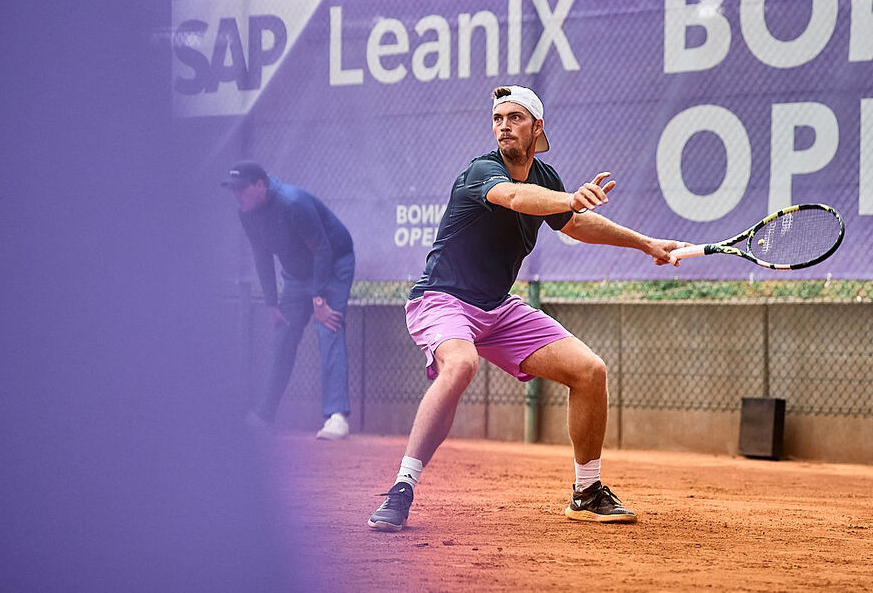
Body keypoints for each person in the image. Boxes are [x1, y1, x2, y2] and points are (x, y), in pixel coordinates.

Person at [367, 86, 688, 530]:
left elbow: (576, 224)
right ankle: (402, 488)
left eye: (515, 118)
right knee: (460, 365)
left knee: (590, 372)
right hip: (442, 299)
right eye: (498, 118)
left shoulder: (546, 177)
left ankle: (587, 491)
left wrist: (646, 243)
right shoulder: (483, 170)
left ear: (537, 128)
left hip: (497, 308)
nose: (503, 126)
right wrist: (570, 198)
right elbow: (517, 198)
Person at [224, 160, 355, 440]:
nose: (238, 195)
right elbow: (261, 255)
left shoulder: (292, 202)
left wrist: (319, 299)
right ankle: (264, 415)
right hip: (296, 277)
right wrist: (272, 304)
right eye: (233, 190)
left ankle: (337, 417)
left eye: (242, 188)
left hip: (332, 266)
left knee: (328, 328)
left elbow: (322, 248)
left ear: (261, 185)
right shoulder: (246, 213)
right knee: (282, 335)